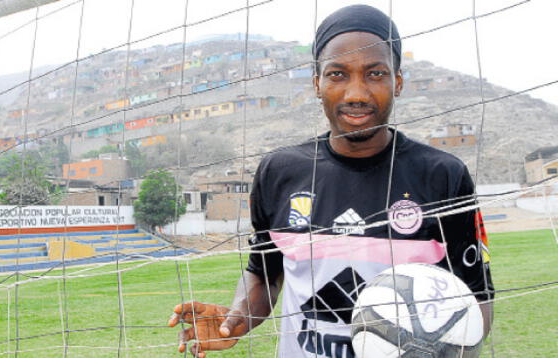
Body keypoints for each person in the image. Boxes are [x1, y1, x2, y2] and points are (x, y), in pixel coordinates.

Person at [168, 4, 494, 357]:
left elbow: (476, 297)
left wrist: (443, 347)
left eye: (375, 74)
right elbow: (264, 274)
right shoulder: (279, 172)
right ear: (317, 84)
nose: (356, 93)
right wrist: (239, 316)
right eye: (338, 74)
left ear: (397, 81)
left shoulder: (442, 175)